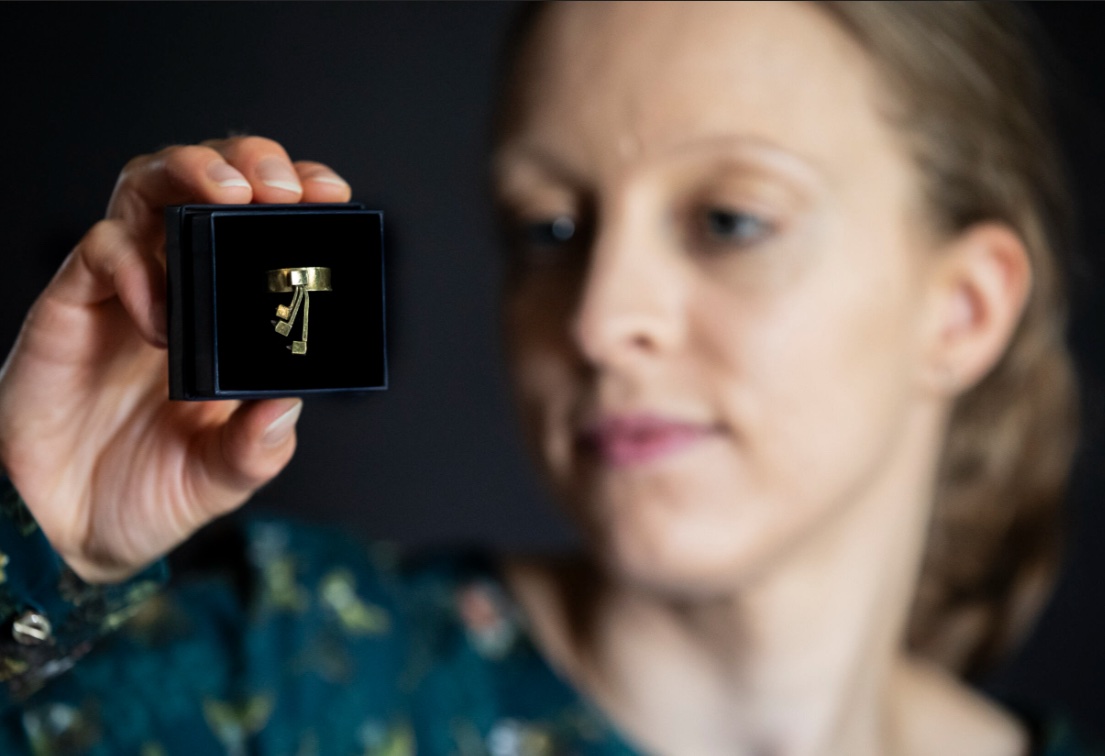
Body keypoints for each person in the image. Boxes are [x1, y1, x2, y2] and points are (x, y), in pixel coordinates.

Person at [0, 2, 1096, 754]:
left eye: (729, 221)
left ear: (963, 310)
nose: (599, 318)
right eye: (549, 228)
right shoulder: (273, 673)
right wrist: (33, 537)